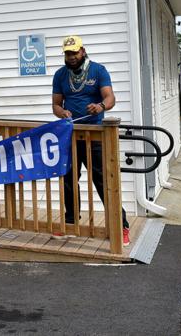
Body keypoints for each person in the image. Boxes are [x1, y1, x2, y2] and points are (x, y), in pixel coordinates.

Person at [52, 36, 130, 246]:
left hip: (94, 134)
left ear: (83, 51)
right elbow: (56, 105)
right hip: (70, 134)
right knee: (68, 179)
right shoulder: (60, 75)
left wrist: (101, 107)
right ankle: (70, 224)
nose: (71, 57)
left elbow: (110, 98)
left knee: (103, 180)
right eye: (67, 54)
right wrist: (62, 113)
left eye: (74, 53)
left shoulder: (98, 70)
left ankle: (121, 226)